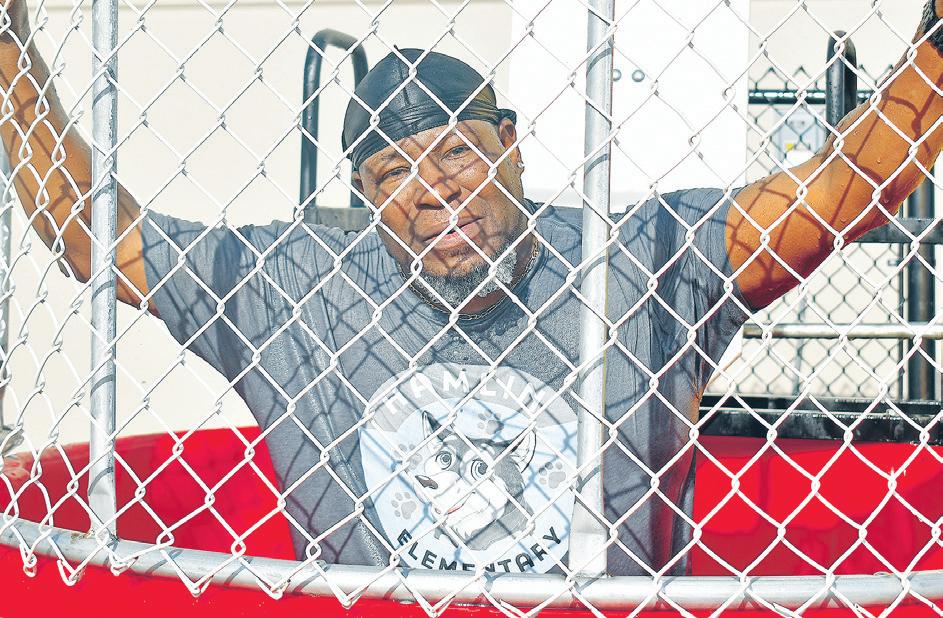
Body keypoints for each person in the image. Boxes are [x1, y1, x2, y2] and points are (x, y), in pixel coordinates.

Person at [1, 0, 942, 577]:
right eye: (392, 173)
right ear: (364, 200)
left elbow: (848, 187)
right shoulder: (293, 286)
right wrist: (10, 45)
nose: (433, 189)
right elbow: (90, 233)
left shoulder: (642, 254)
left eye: (456, 149)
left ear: (511, 147)